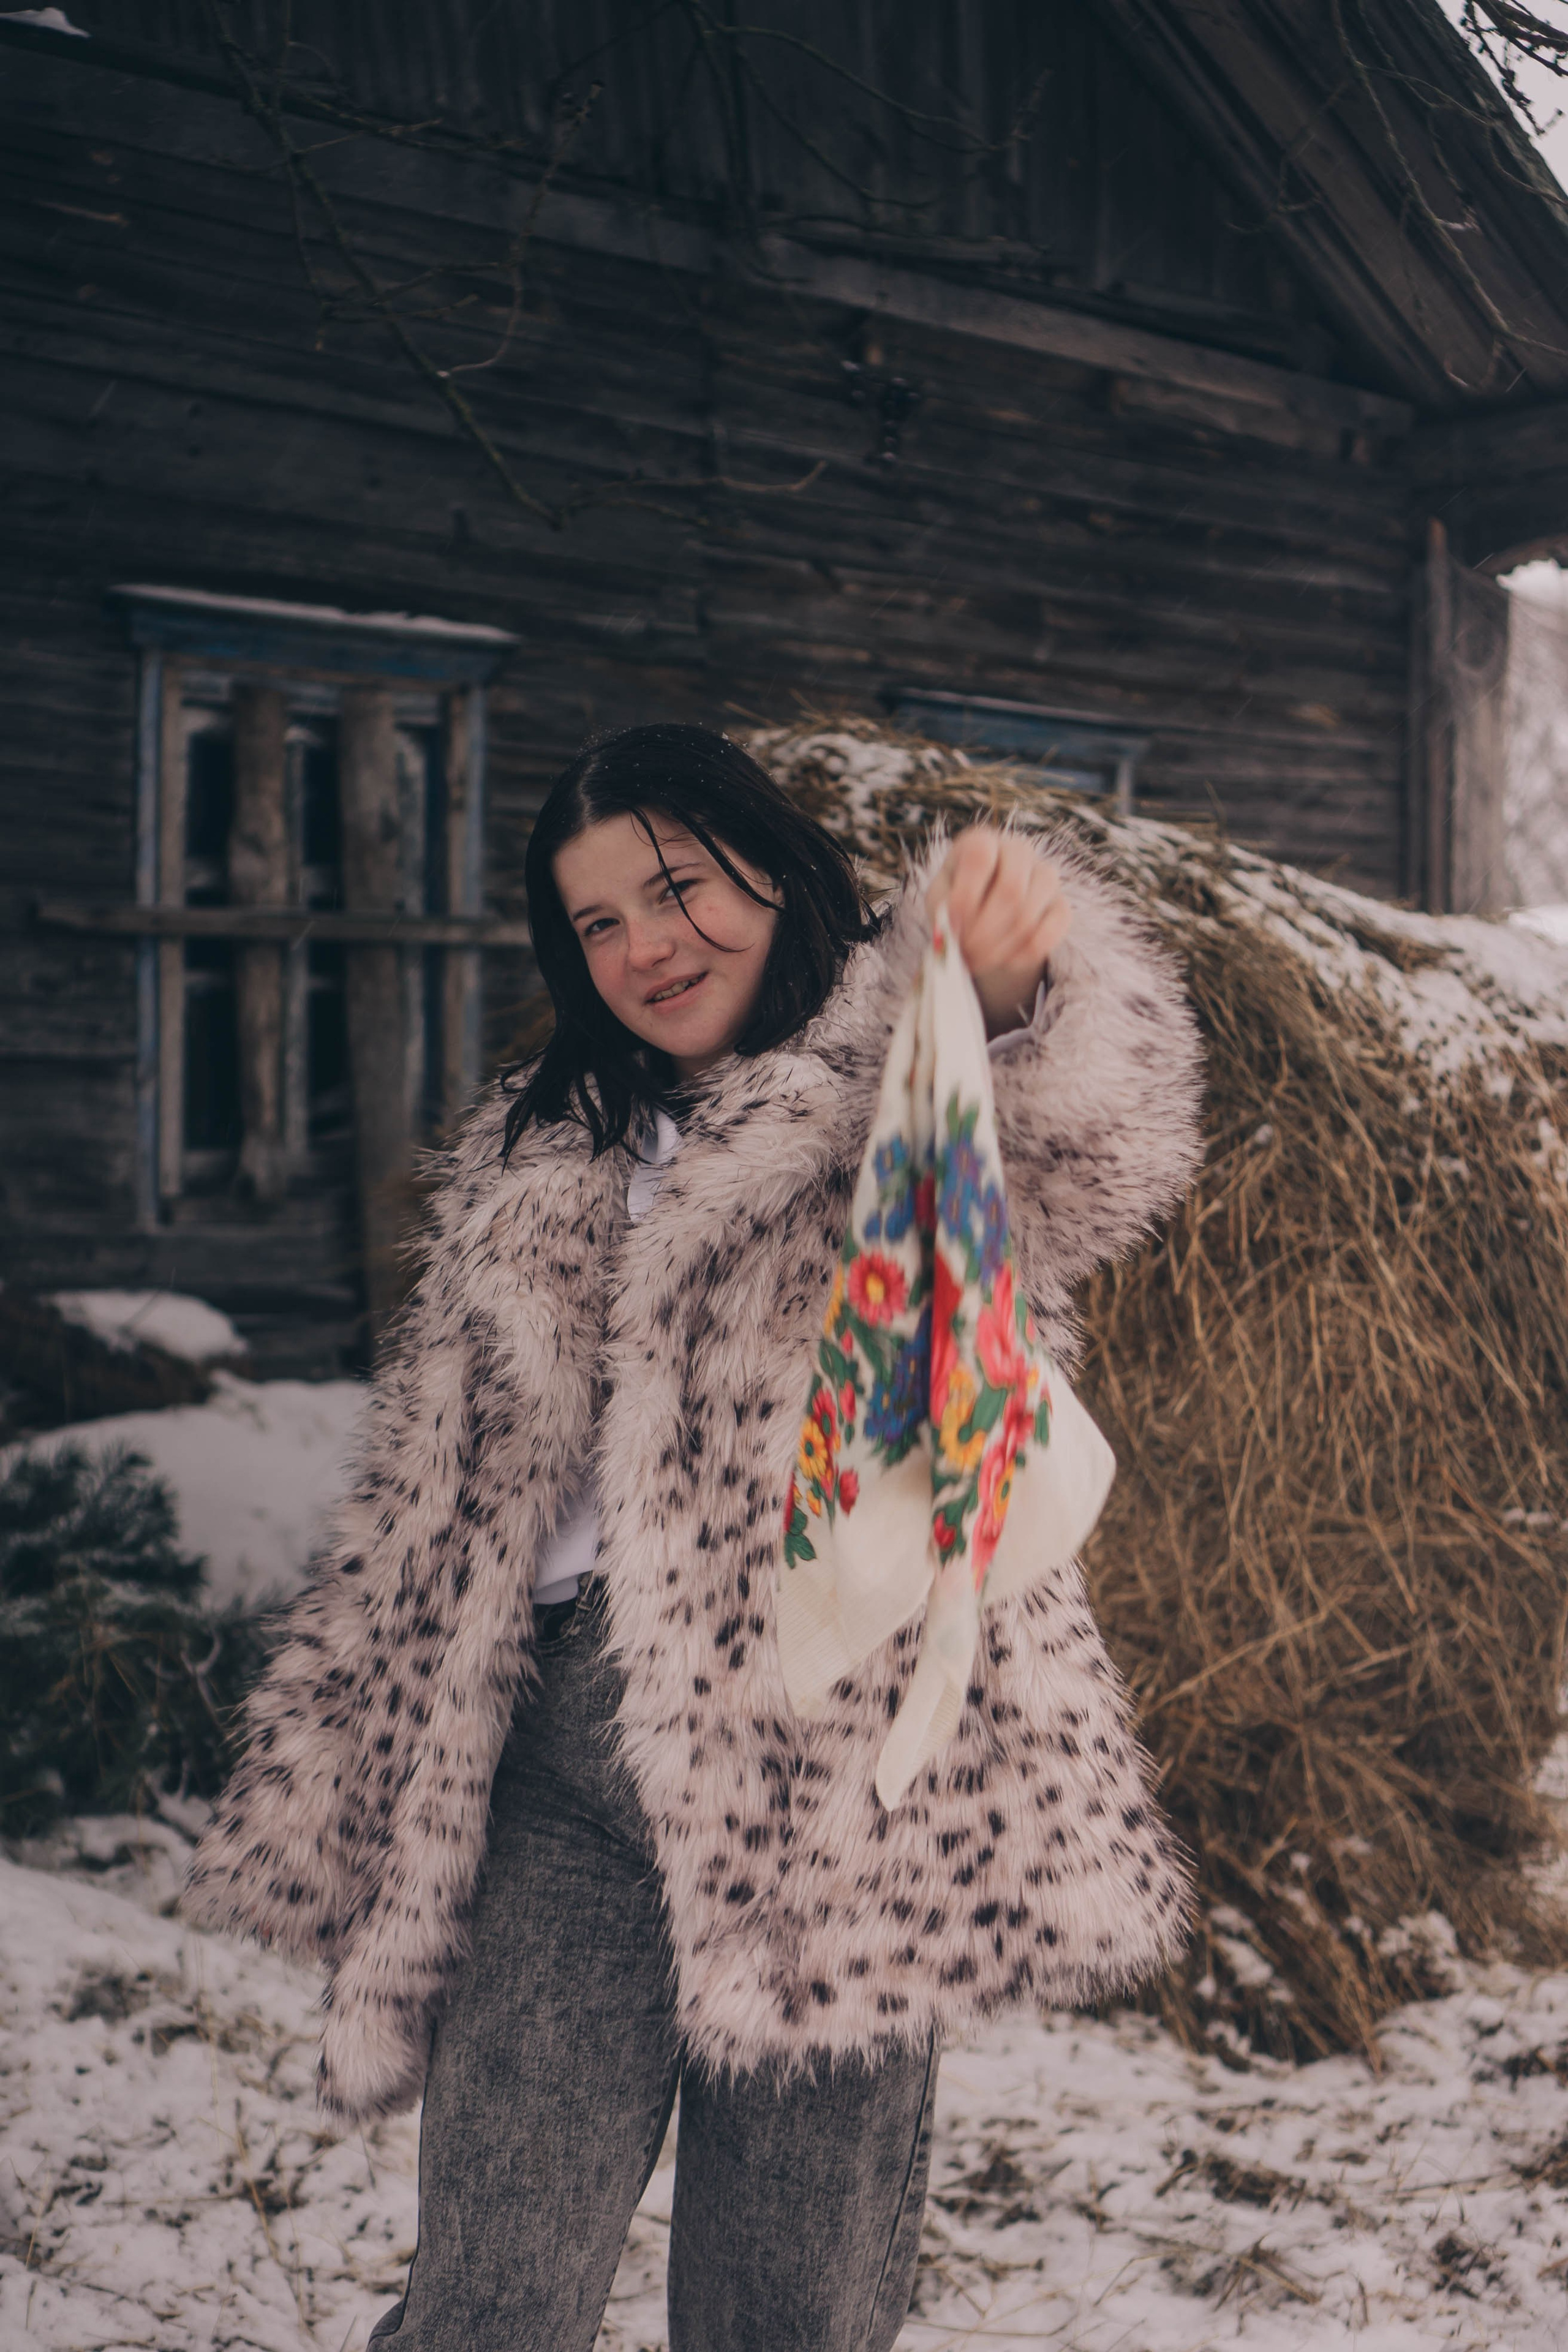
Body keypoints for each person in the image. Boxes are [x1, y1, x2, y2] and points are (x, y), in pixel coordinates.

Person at [185, 723, 1203, 2352]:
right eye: (598, 922)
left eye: (675, 887)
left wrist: (1011, 978)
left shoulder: (896, 1085)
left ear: (771, 866)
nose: (646, 945)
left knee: (789, 2305)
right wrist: (358, 1751)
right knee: (490, 2289)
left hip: (836, 1766)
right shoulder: (542, 1143)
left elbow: (1094, 1132)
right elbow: (437, 1494)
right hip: (556, 1755)